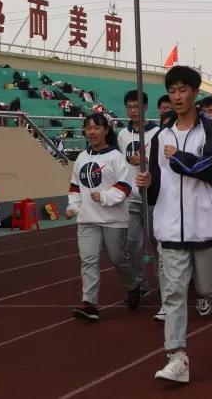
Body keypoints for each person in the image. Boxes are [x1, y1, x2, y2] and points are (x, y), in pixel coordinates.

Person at [136, 66, 212, 385]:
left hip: (204, 221)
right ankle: (176, 356)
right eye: (172, 91)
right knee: (174, 292)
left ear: (195, 92)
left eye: (183, 90)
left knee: (207, 287)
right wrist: (147, 183)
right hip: (170, 225)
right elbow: (157, 185)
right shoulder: (160, 136)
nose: (177, 96)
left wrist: (180, 158)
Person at [66, 114, 138, 322]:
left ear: (106, 130)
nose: (92, 132)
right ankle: (89, 303)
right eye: (88, 128)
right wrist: (73, 207)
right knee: (88, 260)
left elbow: (125, 186)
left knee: (117, 258)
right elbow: (75, 187)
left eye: (96, 128)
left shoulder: (116, 157)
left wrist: (104, 196)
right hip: (87, 219)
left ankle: (133, 286)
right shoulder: (81, 158)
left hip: (113, 219)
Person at [116, 90, 160, 313]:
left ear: (145, 107)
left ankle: (165, 283)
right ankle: (141, 285)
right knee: (133, 242)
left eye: (137, 106)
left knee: (157, 241)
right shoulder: (122, 135)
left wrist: (146, 159)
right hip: (132, 197)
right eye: (129, 107)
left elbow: (163, 164)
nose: (133, 111)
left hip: (153, 197)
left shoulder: (157, 133)